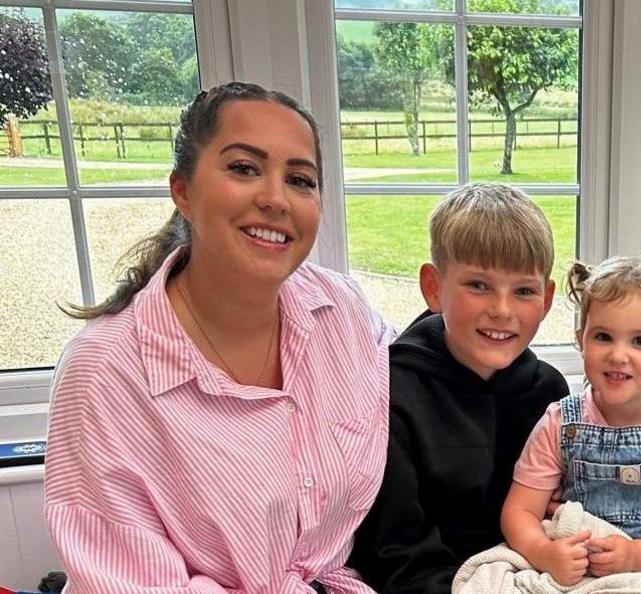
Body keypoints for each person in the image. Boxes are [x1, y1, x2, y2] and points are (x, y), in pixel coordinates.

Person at [44, 82, 396, 594]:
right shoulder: (104, 374)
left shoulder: (341, 312)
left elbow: (416, 378)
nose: (276, 198)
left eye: (300, 179)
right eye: (244, 168)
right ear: (182, 190)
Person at [349, 183, 570, 593]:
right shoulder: (392, 393)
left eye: (523, 290)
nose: (502, 310)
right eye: (478, 285)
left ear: (546, 298)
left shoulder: (551, 394)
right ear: (433, 287)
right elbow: (395, 551)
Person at [501, 257, 641, 593]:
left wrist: (636, 555)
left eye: (640, 341)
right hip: (572, 567)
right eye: (604, 337)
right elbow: (519, 511)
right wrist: (545, 552)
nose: (618, 355)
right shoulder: (561, 422)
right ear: (581, 340)